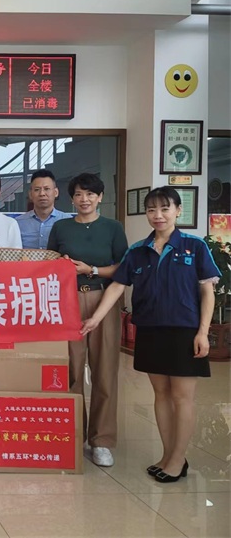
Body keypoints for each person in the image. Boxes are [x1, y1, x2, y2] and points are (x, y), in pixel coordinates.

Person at [81, 187, 219, 482]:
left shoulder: (194, 246)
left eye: (165, 209)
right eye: (152, 209)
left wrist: (203, 332)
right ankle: (168, 455)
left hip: (184, 332)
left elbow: (207, 291)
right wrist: (95, 318)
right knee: (161, 395)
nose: (158, 215)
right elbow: (118, 285)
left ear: (178, 211)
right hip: (150, 330)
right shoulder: (137, 250)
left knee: (182, 397)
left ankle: (177, 459)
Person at [47, 172, 128, 467]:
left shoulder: (113, 228)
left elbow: (123, 267)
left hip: (103, 300)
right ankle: (72, 434)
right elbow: (50, 263)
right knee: (70, 369)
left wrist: (91, 269)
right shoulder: (61, 227)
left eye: (90, 194)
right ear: (71, 198)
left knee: (104, 370)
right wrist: (62, 265)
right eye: (79, 194)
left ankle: (101, 441)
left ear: (100, 197)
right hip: (67, 302)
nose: (85, 199)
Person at [15, 169, 73, 249]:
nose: (42, 194)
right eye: (37, 189)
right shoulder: (18, 223)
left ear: (56, 192)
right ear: (30, 194)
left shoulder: (68, 221)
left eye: (47, 189)